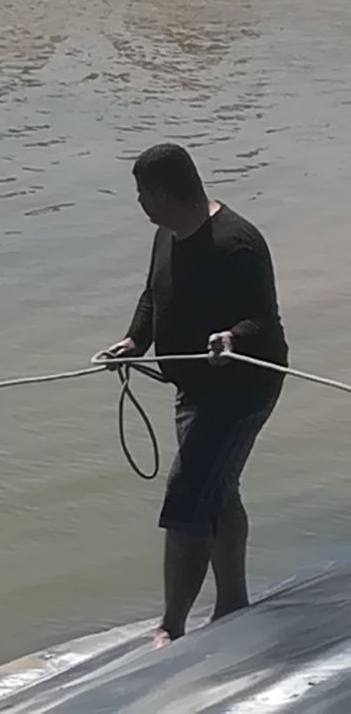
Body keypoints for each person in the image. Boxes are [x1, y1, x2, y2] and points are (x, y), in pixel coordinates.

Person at [96, 142, 288, 648]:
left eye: (142, 192)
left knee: (188, 493)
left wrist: (233, 338)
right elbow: (153, 293)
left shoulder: (237, 242)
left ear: (163, 193)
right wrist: (134, 340)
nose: (139, 202)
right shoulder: (167, 234)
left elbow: (262, 319)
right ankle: (233, 603)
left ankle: (171, 626)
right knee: (217, 489)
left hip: (242, 389)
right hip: (193, 388)